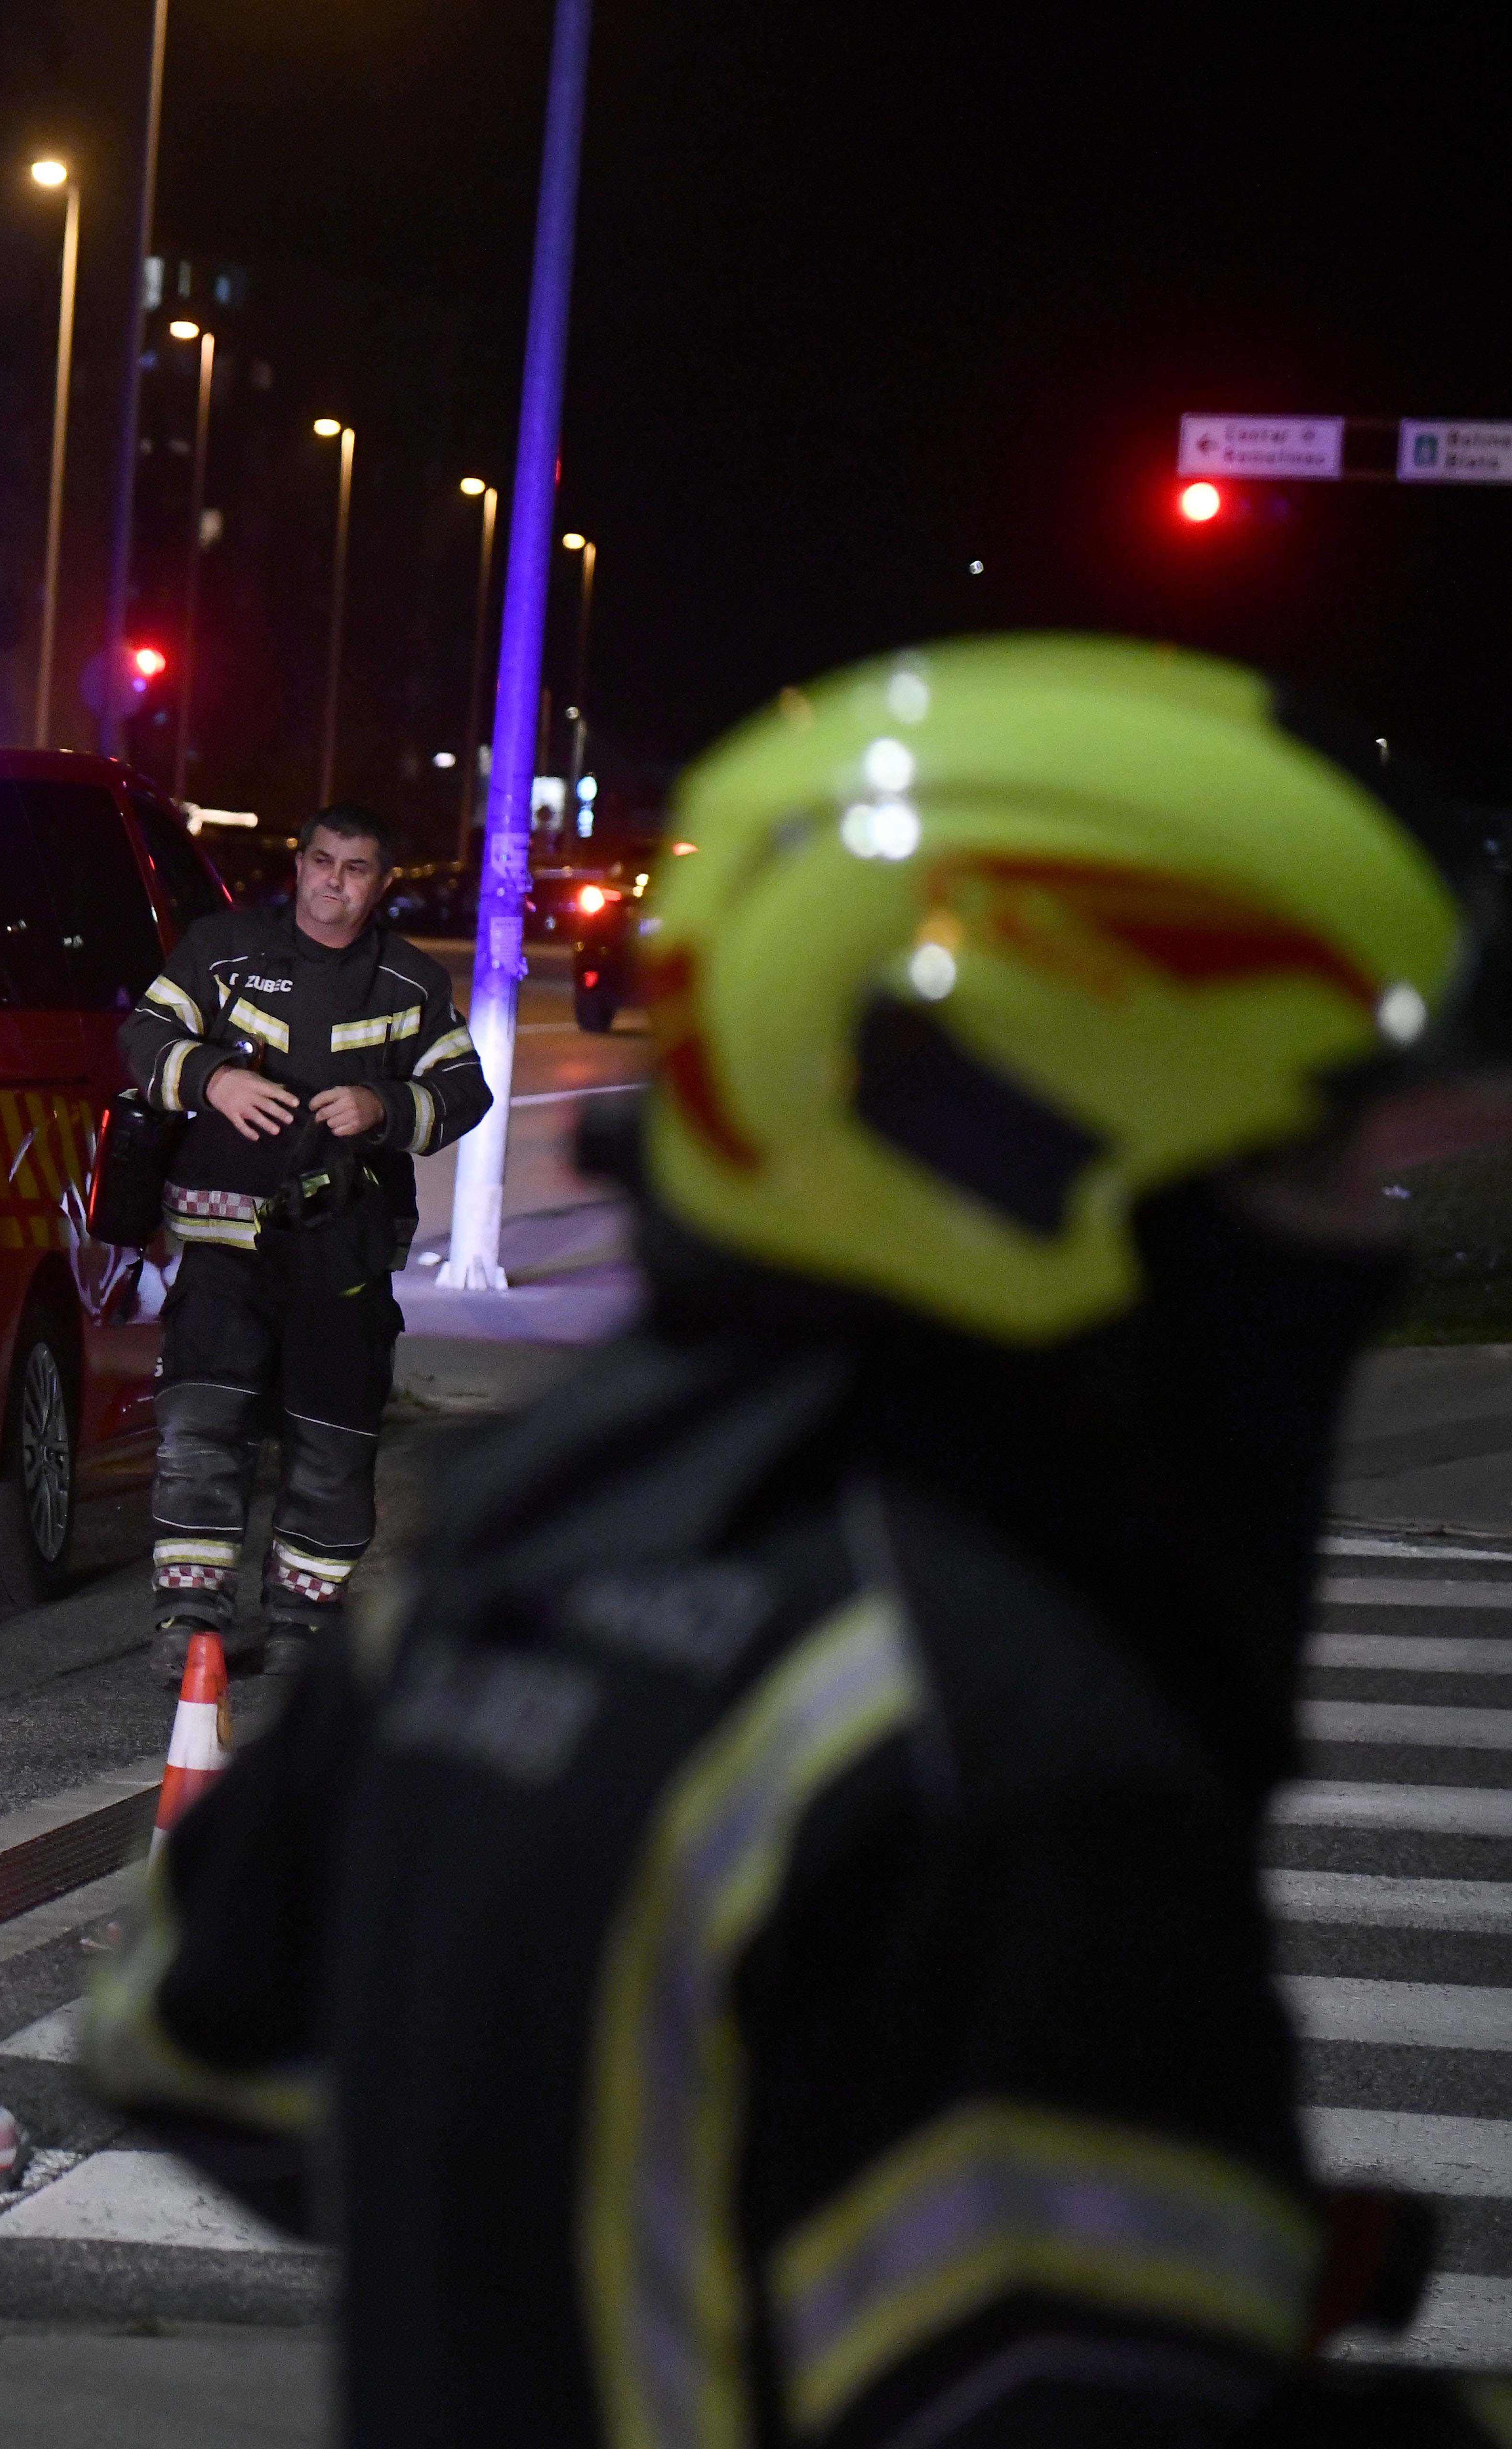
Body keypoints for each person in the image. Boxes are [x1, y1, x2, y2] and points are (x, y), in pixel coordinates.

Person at [84, 638, 1512, 2445]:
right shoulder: (1016, 1723)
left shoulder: (538, 1523)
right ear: (1039, 1157)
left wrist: (616, 2197)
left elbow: (200, 2050)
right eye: (1309, 1167)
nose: (1361, 1241)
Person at [116, 803, 491, 1677]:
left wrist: (382, 1106)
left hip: (342, 1255)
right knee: (201, 1430)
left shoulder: (409, 983)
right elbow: (143, 1035)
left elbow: (464, 1090)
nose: (334, 882)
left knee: (333, 1442)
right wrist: (214, 1080)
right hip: (225, 1244)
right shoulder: (224, 952)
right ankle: (190, 1621)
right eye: (323, 861)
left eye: (356, 869)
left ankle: (304, 1624)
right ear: (300, 865)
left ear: (382, 883)